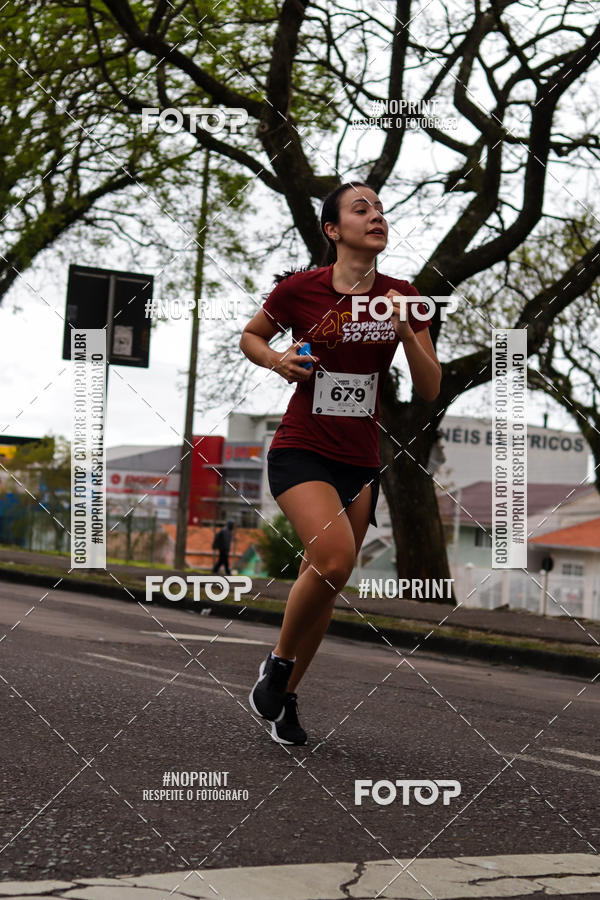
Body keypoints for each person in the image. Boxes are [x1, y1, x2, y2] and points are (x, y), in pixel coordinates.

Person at [239, 182, 441, 745]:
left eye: (380, 209)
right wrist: (280, 361)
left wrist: (406, 333)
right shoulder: (299, 290)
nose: (376, 216)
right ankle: (277, 665)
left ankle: (284, 700)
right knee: (332, 558)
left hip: (359, 459)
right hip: (302, 447)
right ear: (333, 231)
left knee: (328, 580)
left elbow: (429, 388)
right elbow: (251, 336)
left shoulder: (404, 296)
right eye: (361, 209)